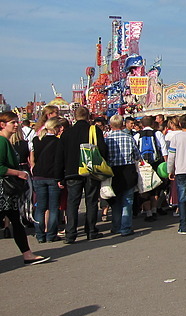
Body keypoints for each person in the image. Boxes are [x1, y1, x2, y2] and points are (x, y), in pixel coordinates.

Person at [0, 111, 49, 265]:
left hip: (8, 191)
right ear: (2, 125)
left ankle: (27, 254)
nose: (16, 125)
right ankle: (27, 254)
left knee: (16, 221)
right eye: (12, 122)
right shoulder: (2, 142)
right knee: (15, 220)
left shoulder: (7, 141)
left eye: (17, 122)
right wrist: (18, 173)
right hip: (3, 190)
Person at [61, 106, 108, 243]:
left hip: (71, 172)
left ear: (74, 117)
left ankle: (70, 234)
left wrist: (60, 175)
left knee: (72, 203)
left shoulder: (67, 133)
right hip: (90, 170)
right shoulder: (94, 131)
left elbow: (60, 155)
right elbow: (102, 149)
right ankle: (91, 230)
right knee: (91, 201)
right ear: (88, 116)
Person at [31, 117, 66, 243]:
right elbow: (59, 162)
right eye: (59, 127)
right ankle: (51, 234)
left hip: (39, 176)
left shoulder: (37, 140)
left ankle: (40, 235)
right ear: (55, 128)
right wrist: (60, 178)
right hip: (52, 177)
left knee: (40, 207)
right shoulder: (58, 142)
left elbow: (33, 158)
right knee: (53, 207)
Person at [105, 114, 141, 237]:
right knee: (127, 201)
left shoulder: (107, 139)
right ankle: (125, 228)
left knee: (115, 201)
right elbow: (137, 155)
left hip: (113, 172)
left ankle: (116, 226)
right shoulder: (129, 138)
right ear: (122, 125)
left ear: (111, 125)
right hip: (128, 171)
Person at [136, 115, 167, 222]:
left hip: (143, 165)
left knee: (145, 189)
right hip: (156, 164)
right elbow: (164, 150)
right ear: (153, 123)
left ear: (142, 125)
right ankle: (154, 210)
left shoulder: (137, 136)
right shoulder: (157, 134)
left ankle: (148, 213)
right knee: (156, 187)